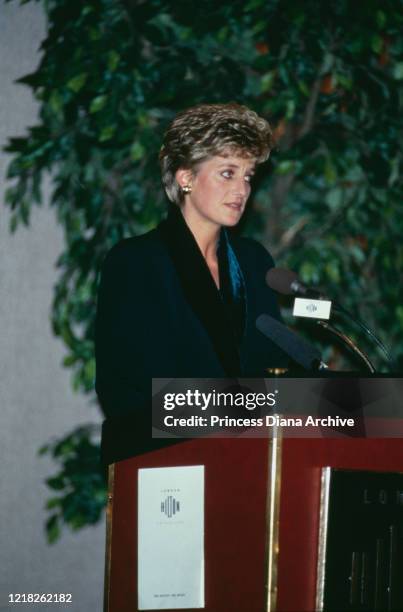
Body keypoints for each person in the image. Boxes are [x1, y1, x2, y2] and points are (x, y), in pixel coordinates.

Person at [95, 103, 287, 463]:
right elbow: (123, 388)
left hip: (250, 463)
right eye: (227, 173)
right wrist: (236, 410)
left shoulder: (253, 260)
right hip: (166, 466)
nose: (242, 189)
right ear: (185, 178)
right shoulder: (136, 262)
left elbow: (270, 366)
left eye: (248, 175)